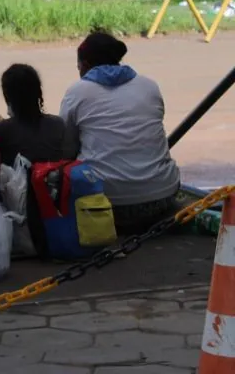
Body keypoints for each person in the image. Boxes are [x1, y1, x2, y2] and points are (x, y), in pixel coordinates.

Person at [59, 31, 180, 234]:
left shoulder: (77, 92)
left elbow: (65, 149)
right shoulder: (149, 86)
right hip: (162, 197)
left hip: (104, 205)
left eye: (78, 66)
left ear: (85, 65)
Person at [0, 63, 76, 166]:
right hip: (51, 175)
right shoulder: (58, 125)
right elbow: (69, 156)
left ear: (7, 97)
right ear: (38, 92)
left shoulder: (0, 131)